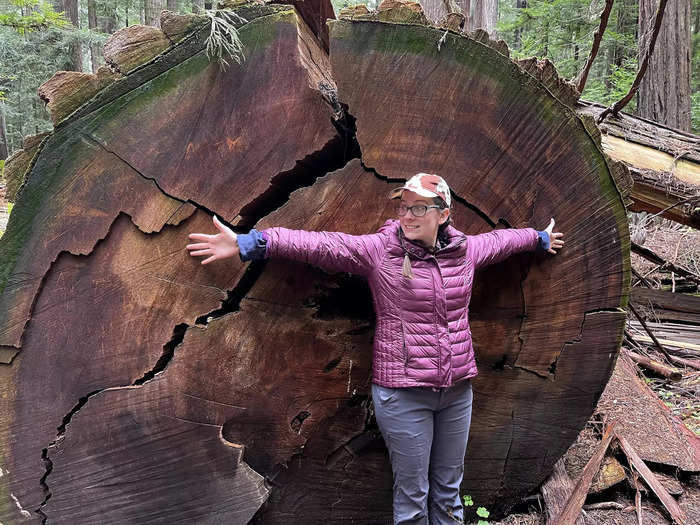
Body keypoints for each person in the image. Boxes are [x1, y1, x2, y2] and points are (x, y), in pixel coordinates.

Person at [186, 173, 564, 525]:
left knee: (449, 493)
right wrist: (248, 243)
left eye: (419, 207)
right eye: (404, 206)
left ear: (443, 214)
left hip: (456, 391)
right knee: (413, 496)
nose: (408, 215)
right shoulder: (380, 251)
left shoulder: (466, 252)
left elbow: (505, 241)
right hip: (403, 394)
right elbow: (319, 244)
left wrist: (539, 238)